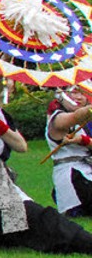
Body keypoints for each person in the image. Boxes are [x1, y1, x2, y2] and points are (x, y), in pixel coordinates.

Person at [0, 72, 92, 254]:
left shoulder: (2, 116)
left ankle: (79, 242)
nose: (4, 83)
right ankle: (87, 243)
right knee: (43, 221)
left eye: (9, 80)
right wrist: (3, 65)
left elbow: (21, 145)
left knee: (34, 226)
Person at [45, 86, 92, 217]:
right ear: (61, 95)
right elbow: (76, 116)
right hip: (73, 175)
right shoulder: (58, 118)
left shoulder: (86, 122)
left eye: (84, 93)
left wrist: (82, 140)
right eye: (75, 92)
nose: (79, 97)